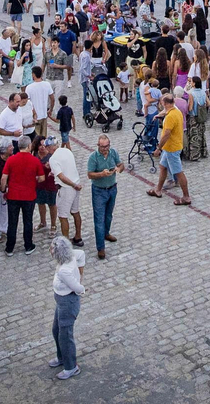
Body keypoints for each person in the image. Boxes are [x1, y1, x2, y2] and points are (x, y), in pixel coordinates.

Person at [49, 233, 85, 379]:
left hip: (67, 303)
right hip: (61, 302)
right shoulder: (72, 256)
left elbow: (77, 288)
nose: (50, 250)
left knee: (65, 335)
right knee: (56, 329)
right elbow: (81, 254)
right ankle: (62, 357)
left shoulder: (64, 270)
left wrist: (81, 284)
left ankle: (71, 366)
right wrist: (80, 274)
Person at [1, 137, 45, 255]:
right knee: (28, 221)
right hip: (29, 196)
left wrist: (3, 188)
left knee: (12, 222)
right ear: (29, 146)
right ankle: (28, 246)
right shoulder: (35, 160)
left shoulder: (11, 160)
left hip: (13, 195)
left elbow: (4, 177)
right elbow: (41, 178)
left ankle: (9, 248)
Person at [147, 93, 192, 206]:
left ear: (165, 103)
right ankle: (158, 189)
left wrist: (158, 148)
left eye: (162, 102)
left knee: (178, 172)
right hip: (170, 147)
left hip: (172, 148)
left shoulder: (171, 116)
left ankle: (186, 197)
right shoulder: (176, 111)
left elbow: (166, 134)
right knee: (163, 167)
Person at [86, 133, 124, 260]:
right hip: (99, 191)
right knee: (99, 219)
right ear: (98, 146)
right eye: (102, 147)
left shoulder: (113, 153)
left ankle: (106, 233)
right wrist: (101, 174)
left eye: (107, 146)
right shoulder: (93, 157)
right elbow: (90, 174)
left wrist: (119, 169)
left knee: (109, 215)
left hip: (112, 188)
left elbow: (121, 164)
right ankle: (100, 248)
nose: (105, 149)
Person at [48, 134, 84, 248]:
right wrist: (76, 184)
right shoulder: (67, 151)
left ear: (50, 148)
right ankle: (78, 237)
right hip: (76, 184)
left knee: (63, 216)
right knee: (75, 212)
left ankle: (66, 243)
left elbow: (62, 177)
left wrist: (73, 185)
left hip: (66, 188)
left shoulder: (53, 159)